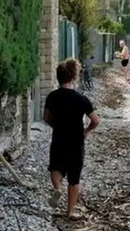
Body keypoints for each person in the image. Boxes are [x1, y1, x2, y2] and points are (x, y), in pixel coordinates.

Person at [43, 58, 100, 220]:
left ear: (58, 77)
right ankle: (69, 211)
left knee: (55, 167)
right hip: (76, 142)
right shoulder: (81, 99)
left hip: (59, 138)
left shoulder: (52, 97)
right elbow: (95, 121)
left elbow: (46, 118)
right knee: (74, 179)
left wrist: (57, 126)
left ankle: (57, 188)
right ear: (74, 77)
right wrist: (86, 131)